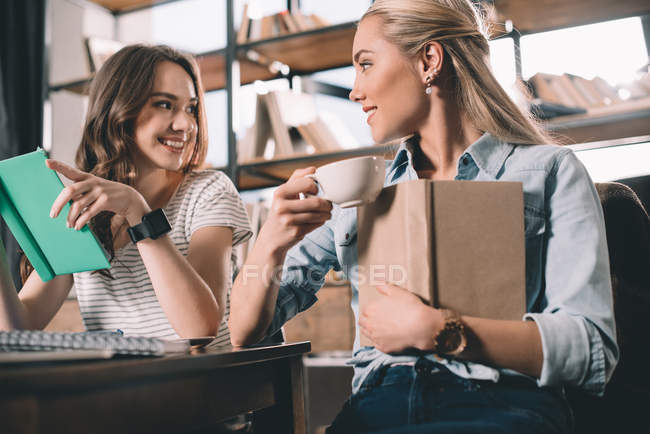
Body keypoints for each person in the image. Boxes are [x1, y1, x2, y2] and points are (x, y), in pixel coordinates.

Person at [229, 0, 618, 432]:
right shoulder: (361, 191)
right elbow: (244, 333)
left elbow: (590, 348)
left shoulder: (550, 172)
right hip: (376, 410)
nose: (355, 91)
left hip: (502, 407)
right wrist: (269, 246)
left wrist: (440, 331)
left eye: (366, 65)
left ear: (429, 61)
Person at [0, 44, 251, 344]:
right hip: (120, 385)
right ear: (118, 111)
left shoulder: (208, 192)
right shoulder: (82, 208)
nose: (186, 124)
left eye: (191, 108)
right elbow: (16, 328)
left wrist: (140, 215)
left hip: (199, 384)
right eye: (164, 104)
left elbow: (200, 328)